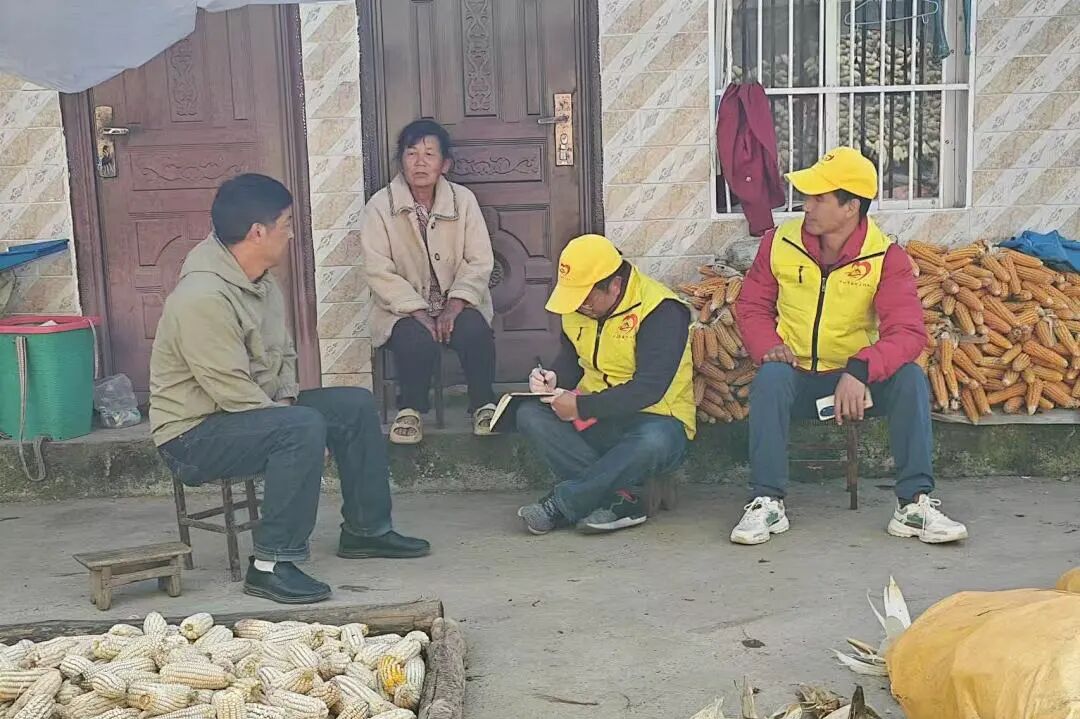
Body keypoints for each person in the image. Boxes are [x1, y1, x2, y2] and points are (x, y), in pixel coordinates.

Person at [149, 173, 429, 605]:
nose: (292, 234)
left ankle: (366, 530)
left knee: (353, 405)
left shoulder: (260, 280)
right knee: (301, 427)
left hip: (246, 413)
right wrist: (293, 422)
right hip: (192, 435)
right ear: (257, 232)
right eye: (286, 224)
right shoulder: (202, 297)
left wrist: (287, 403)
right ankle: (270, 564)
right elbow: (229, 388)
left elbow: (282, 355)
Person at [731, 147, 968, 546]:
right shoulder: (778, 243)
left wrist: (860, 370)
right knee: (770, 378)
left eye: (819, 198)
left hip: (856, 384)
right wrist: (767, 344)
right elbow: (752, 305)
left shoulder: (885, 256)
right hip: (797, 377)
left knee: (910, 378)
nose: (806, 206)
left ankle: (913, 505)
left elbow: (908, 333)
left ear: (851, 207)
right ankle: (766, 502)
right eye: (807, 197)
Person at [515, 234, 696, 535]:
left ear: (614, 285)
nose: (579, 306)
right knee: (530, 415)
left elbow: (649, 389)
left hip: (657, 420)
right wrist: (554, 379)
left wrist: (580, 406)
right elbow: (573, 360)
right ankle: (624, 496)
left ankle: (561, 505)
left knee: (654, 441)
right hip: (598, 419)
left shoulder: (661, 310)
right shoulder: (578, 308)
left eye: (586, 298)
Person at [360, 119, 497, 444]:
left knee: (475, 329)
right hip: (401, 309)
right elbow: (378, 269)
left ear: (444, 164)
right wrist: (417, 310)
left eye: (429, 154)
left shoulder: (463, 201)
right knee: (414, 338)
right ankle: (410, 409)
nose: (420, 163)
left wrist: (455, 304)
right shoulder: (379, 206)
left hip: (457, 302)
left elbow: (479, 260)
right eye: (411, 154)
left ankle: (483, 403)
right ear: (401, 161)